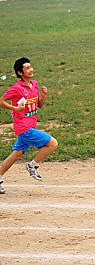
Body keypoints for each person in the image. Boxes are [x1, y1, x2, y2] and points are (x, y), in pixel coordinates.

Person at [0, 57, 58, 194]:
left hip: (30, 126)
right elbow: (1, 101)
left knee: (16, 155)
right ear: (20, 73)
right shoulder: (16, 88)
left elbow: (39, 105)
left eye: (30, 67)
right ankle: (32, 165)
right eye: (26, 68)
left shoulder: (35, 84)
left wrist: (43, 95)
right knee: (53, 144)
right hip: (24, 128)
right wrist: (15, 109)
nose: (30, 69)